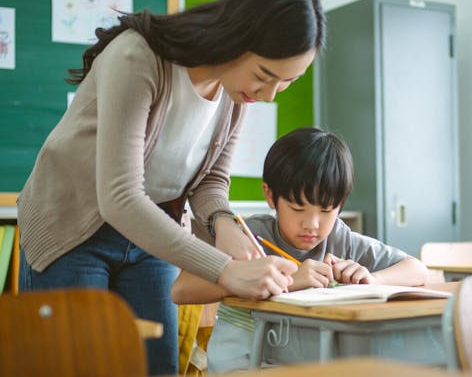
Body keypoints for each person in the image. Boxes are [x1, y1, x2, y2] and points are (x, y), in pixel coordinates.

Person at [17, 0, 325, 374]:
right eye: (265, 76)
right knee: (79, 364)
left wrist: (222, 220)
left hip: (151, 234)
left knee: (158, 365)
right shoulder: (137, 57)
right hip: (71, 228)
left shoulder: (235, 94)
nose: (267, 95)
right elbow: (120, 197)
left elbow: (212, 181)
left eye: (286, 83)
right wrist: (226, 270)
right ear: (235, 37)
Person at [171, 127, 429, 372]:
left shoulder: (341, 239)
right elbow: (182, 289)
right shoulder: (249, 237)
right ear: (270, 196)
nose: (312, 225)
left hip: (307, 365)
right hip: (244, 366)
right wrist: (288, 280)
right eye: (297, 209)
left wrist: (373, 280)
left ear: (340, 205)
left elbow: (417, 269)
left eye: (327, 211)